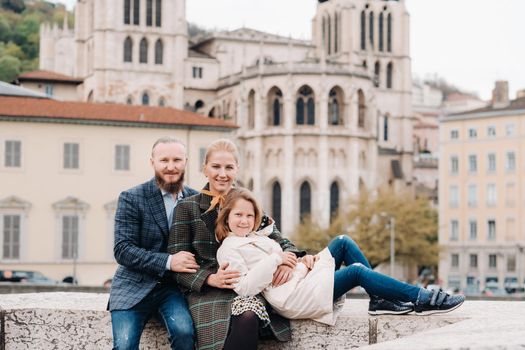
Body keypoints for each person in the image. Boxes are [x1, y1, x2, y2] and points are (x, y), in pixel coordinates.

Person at [216, 188, 465, 322]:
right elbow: (246, 288)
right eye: (238, 215)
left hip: (301, 280)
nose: (244, 220)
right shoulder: (228, 248)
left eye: (249, 215)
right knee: (356, 272)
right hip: (292, 297)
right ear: (226, 217)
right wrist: (276, 260)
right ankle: (424, 298)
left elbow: (282, 260)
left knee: (342, 242)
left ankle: (379, 301)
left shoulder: (257, 237)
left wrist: (303, 260)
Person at [167, 139, 306, 350]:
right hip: (206, 293)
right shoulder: (187, 207)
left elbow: (282, 241)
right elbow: (177, 267)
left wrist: (287, 261)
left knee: (248, 316)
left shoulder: (247, 203)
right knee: (237, 319)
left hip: (249, 286)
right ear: (204, 169)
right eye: (216, 167)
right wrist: (210, 278)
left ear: (237, 170)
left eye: (229, 167)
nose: (222, 173)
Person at [109, 137, 199, 350]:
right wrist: (169, 261)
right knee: (124, 346)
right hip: (132, 286)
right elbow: (123, 250)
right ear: (152, 163)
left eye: (177, 160)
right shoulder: (131, 197)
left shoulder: (196, 199)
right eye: (164, 160)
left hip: (172, 289)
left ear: (186, 162)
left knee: (185, 335)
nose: (170, 166)